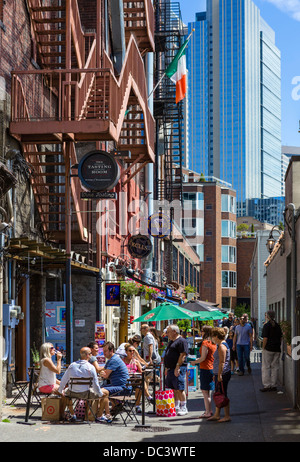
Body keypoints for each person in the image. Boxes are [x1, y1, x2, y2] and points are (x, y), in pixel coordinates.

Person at [58, 347, 109, 422]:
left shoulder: (72, 365)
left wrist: (60, 390)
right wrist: (100, 394)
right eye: (91, 353)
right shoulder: (91, 367)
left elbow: (63, 380)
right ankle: (99, 415)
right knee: (106, 393)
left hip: (72, 392)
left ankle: (72, 414)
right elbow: (95, 385)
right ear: (88, 355)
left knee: (64, 393)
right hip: (86, 393)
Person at [191, 326, 216, 418]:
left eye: (201, 331)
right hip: (211, 367)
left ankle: (208, 411)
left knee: (205, 392)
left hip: (205, 368)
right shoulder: (213, 343)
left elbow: (203, 358)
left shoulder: (205, 343)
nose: (200, 332)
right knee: (208, 392)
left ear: (205, 332)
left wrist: (194, 361)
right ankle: (209, 410)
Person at [164, 324, 189, 416]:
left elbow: (182, 355)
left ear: (174, 332)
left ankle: (184, 407)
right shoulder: (171, 341)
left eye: (169, 332)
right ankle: (177, 405)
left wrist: (177, 367)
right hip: (171, 368)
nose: (167, 334)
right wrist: (167, 367)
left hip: (178, 367)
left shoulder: (181, 341)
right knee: (174, 388)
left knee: (179, 388)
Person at [208, 327, 231, 423]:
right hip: (220, 372)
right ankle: (217, 414)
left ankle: (226, 416)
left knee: (222, 394)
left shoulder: (221, 346)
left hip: (223, 373)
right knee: (219, 393)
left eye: (213, 336)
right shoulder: (221, 345)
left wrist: (219, 375)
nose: (212, 339)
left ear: (216, 336)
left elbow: (222, 362)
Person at [260, 310, 282, 392]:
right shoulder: (277, 325)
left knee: (266, 367)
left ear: (268, 316)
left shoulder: (266, 326)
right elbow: (280, 338)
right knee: (275, 367)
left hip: (268, 348)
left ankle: (267, 385)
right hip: (277, 349)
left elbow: (265, 338)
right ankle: (274, 385)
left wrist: (263, 347)